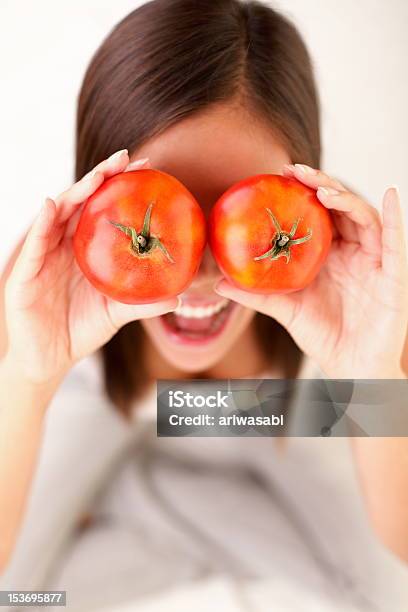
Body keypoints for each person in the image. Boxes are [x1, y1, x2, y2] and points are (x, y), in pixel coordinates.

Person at [1, 0, 407, 610]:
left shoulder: (364, 286)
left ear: (311, 197)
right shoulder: (38, 287)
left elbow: (400, 552)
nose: (200, 271)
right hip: (101, 399)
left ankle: (151, 496)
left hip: (276, 410)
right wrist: (30, 379)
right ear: (94, 197)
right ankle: (171, 495)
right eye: (158, 207)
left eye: (245, 214)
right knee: (28, 598)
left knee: (375, 592)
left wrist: (370, 377)